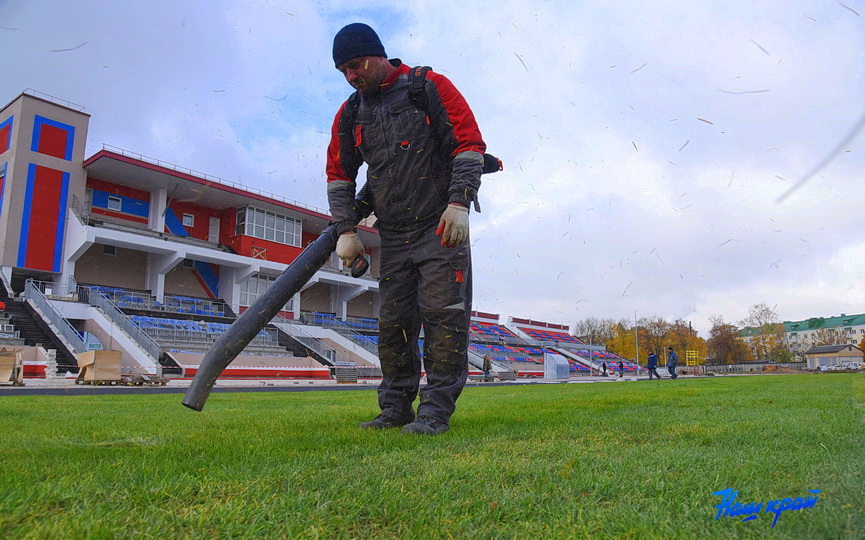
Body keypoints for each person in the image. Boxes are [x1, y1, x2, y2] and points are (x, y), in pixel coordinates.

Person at [326, 23, 486, 436]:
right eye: (343, 70)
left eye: (356, 65)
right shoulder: (349, 113)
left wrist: (459, 202)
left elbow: (468, 143)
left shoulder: (427, 86)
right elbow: (339, 175)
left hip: (440, 228)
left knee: (443, 319)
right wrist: (347, 229)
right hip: (394, 235)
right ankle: (395, 409)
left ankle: (435, 413)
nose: (351, 76)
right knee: (393, 325)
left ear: (379, 55)